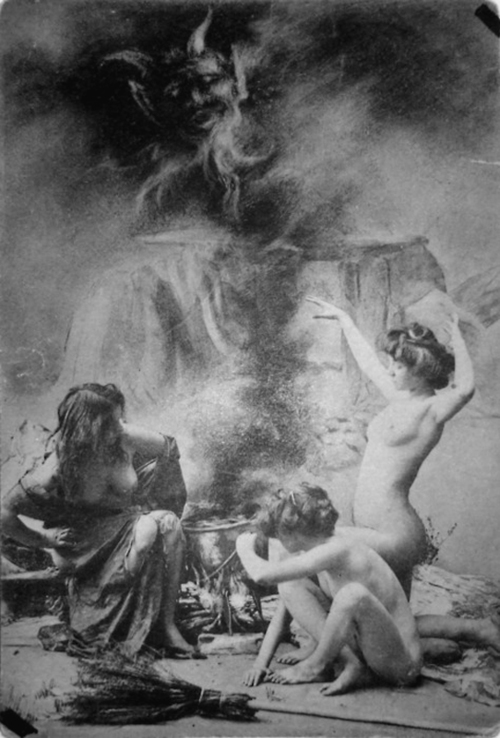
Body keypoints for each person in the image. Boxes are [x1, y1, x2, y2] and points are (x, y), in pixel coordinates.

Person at [1, 383, 198, 658]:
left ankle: (167, 626)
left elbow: (169, 450)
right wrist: (45, 539)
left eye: (120, 418)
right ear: (90, 428)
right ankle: (117, 619)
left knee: (168, 525)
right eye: (112, 422)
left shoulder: (124, 437)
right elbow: (4, 512)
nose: (121, 426)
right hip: (85, 542)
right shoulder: (61, 464)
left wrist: (158, 499)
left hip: (126, 524)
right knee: (149, 529)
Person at [237, 484, 423, 695]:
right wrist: (260, 664)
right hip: (369, 648)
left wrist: (243, 548)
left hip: (402, 665)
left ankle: (315, 665)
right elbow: (285, 609)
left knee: (352, 594)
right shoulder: (319, 548)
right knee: (290, 585)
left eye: (277, 534)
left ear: (293, 533)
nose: (276, 540)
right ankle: (351, 663)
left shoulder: (337, 549)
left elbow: (263, 575)